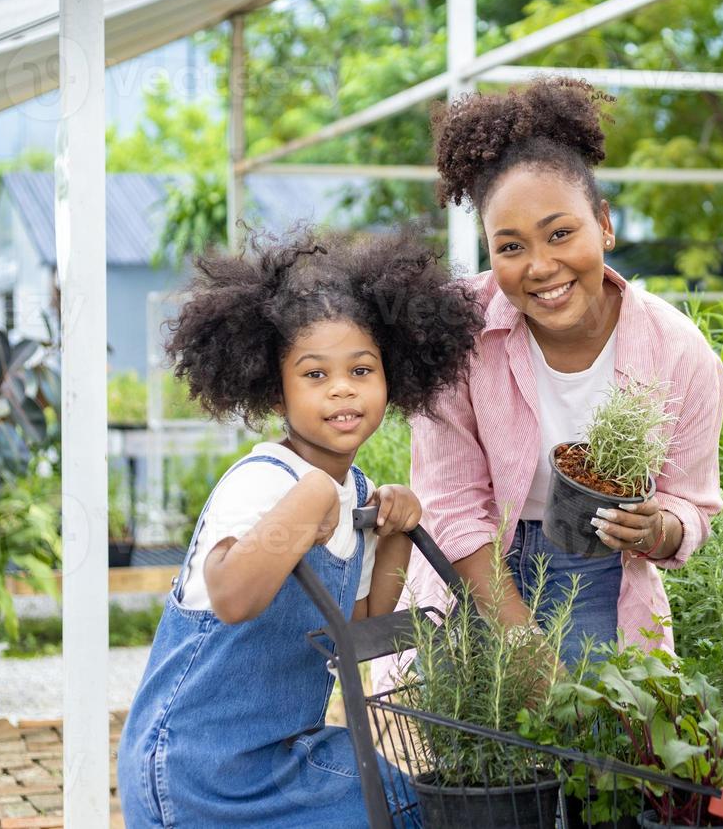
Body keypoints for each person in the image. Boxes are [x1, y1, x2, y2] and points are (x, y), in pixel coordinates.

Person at [117, 228, 481, 828]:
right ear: (275, 386)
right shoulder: (261, 481)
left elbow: (359, 624)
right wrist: (308, 498)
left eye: (362, 370)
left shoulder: (355, 491)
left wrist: (391, 533)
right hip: (196, 769)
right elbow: (234, 597)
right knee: (407, 811)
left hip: (283, 753)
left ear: (391, 379)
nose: (342, 387)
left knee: (417, 802)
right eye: (315, 375)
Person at [395, 77, 723, 666]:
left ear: (603, 223)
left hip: (598, 576)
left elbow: (691, 504)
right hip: (470, 570)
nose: (541, 267)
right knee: (463, 746)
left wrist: (655, 530)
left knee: (594, 746)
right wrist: (519, 634)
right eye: (511, 247)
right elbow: (449, 502)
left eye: (560, 234)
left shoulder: (679, 352)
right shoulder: (456, 334)